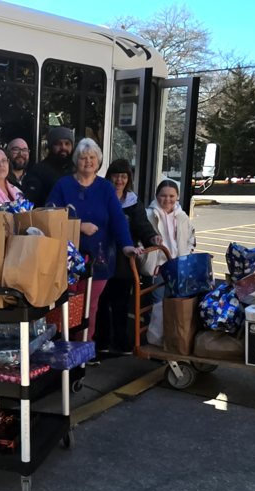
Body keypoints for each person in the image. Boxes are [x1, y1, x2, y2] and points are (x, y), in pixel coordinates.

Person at [46, 138, 143, 343]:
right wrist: (78, 226)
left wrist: (126, 245)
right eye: (83, 157)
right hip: (67, 258)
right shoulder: (63, 185)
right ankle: (64, 346)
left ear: (98, 161)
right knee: (66, 303)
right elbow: (50, 217)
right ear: (76, 160)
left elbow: (118, 219)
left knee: (91, 305)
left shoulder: (106, 188)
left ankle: (84, 347)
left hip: (99, 258)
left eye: (92, 157)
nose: (88, 161)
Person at [95, 159, 161, 357]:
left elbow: (141, 223)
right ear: (109, 176)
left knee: (122, 303)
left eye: (124, 176)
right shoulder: (100, 197)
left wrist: (152, 237)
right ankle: (101, 341)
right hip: (102, 257)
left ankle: (122, 340)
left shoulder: (133, 201)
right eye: (115, 175)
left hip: (124, 260)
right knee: (101, 303)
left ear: (129, 179)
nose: (119, 180)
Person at [26, 127, 76, 202]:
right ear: (50, 147)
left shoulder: (77, 170)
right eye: (58, 144)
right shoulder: (38, 171)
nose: (63, 147)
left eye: (67, 143)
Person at [6, 138, 44, 205]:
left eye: (24, 150)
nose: (21, 154)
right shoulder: (2, 181)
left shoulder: (35, 181)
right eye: (16, 150)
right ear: (7, 153)